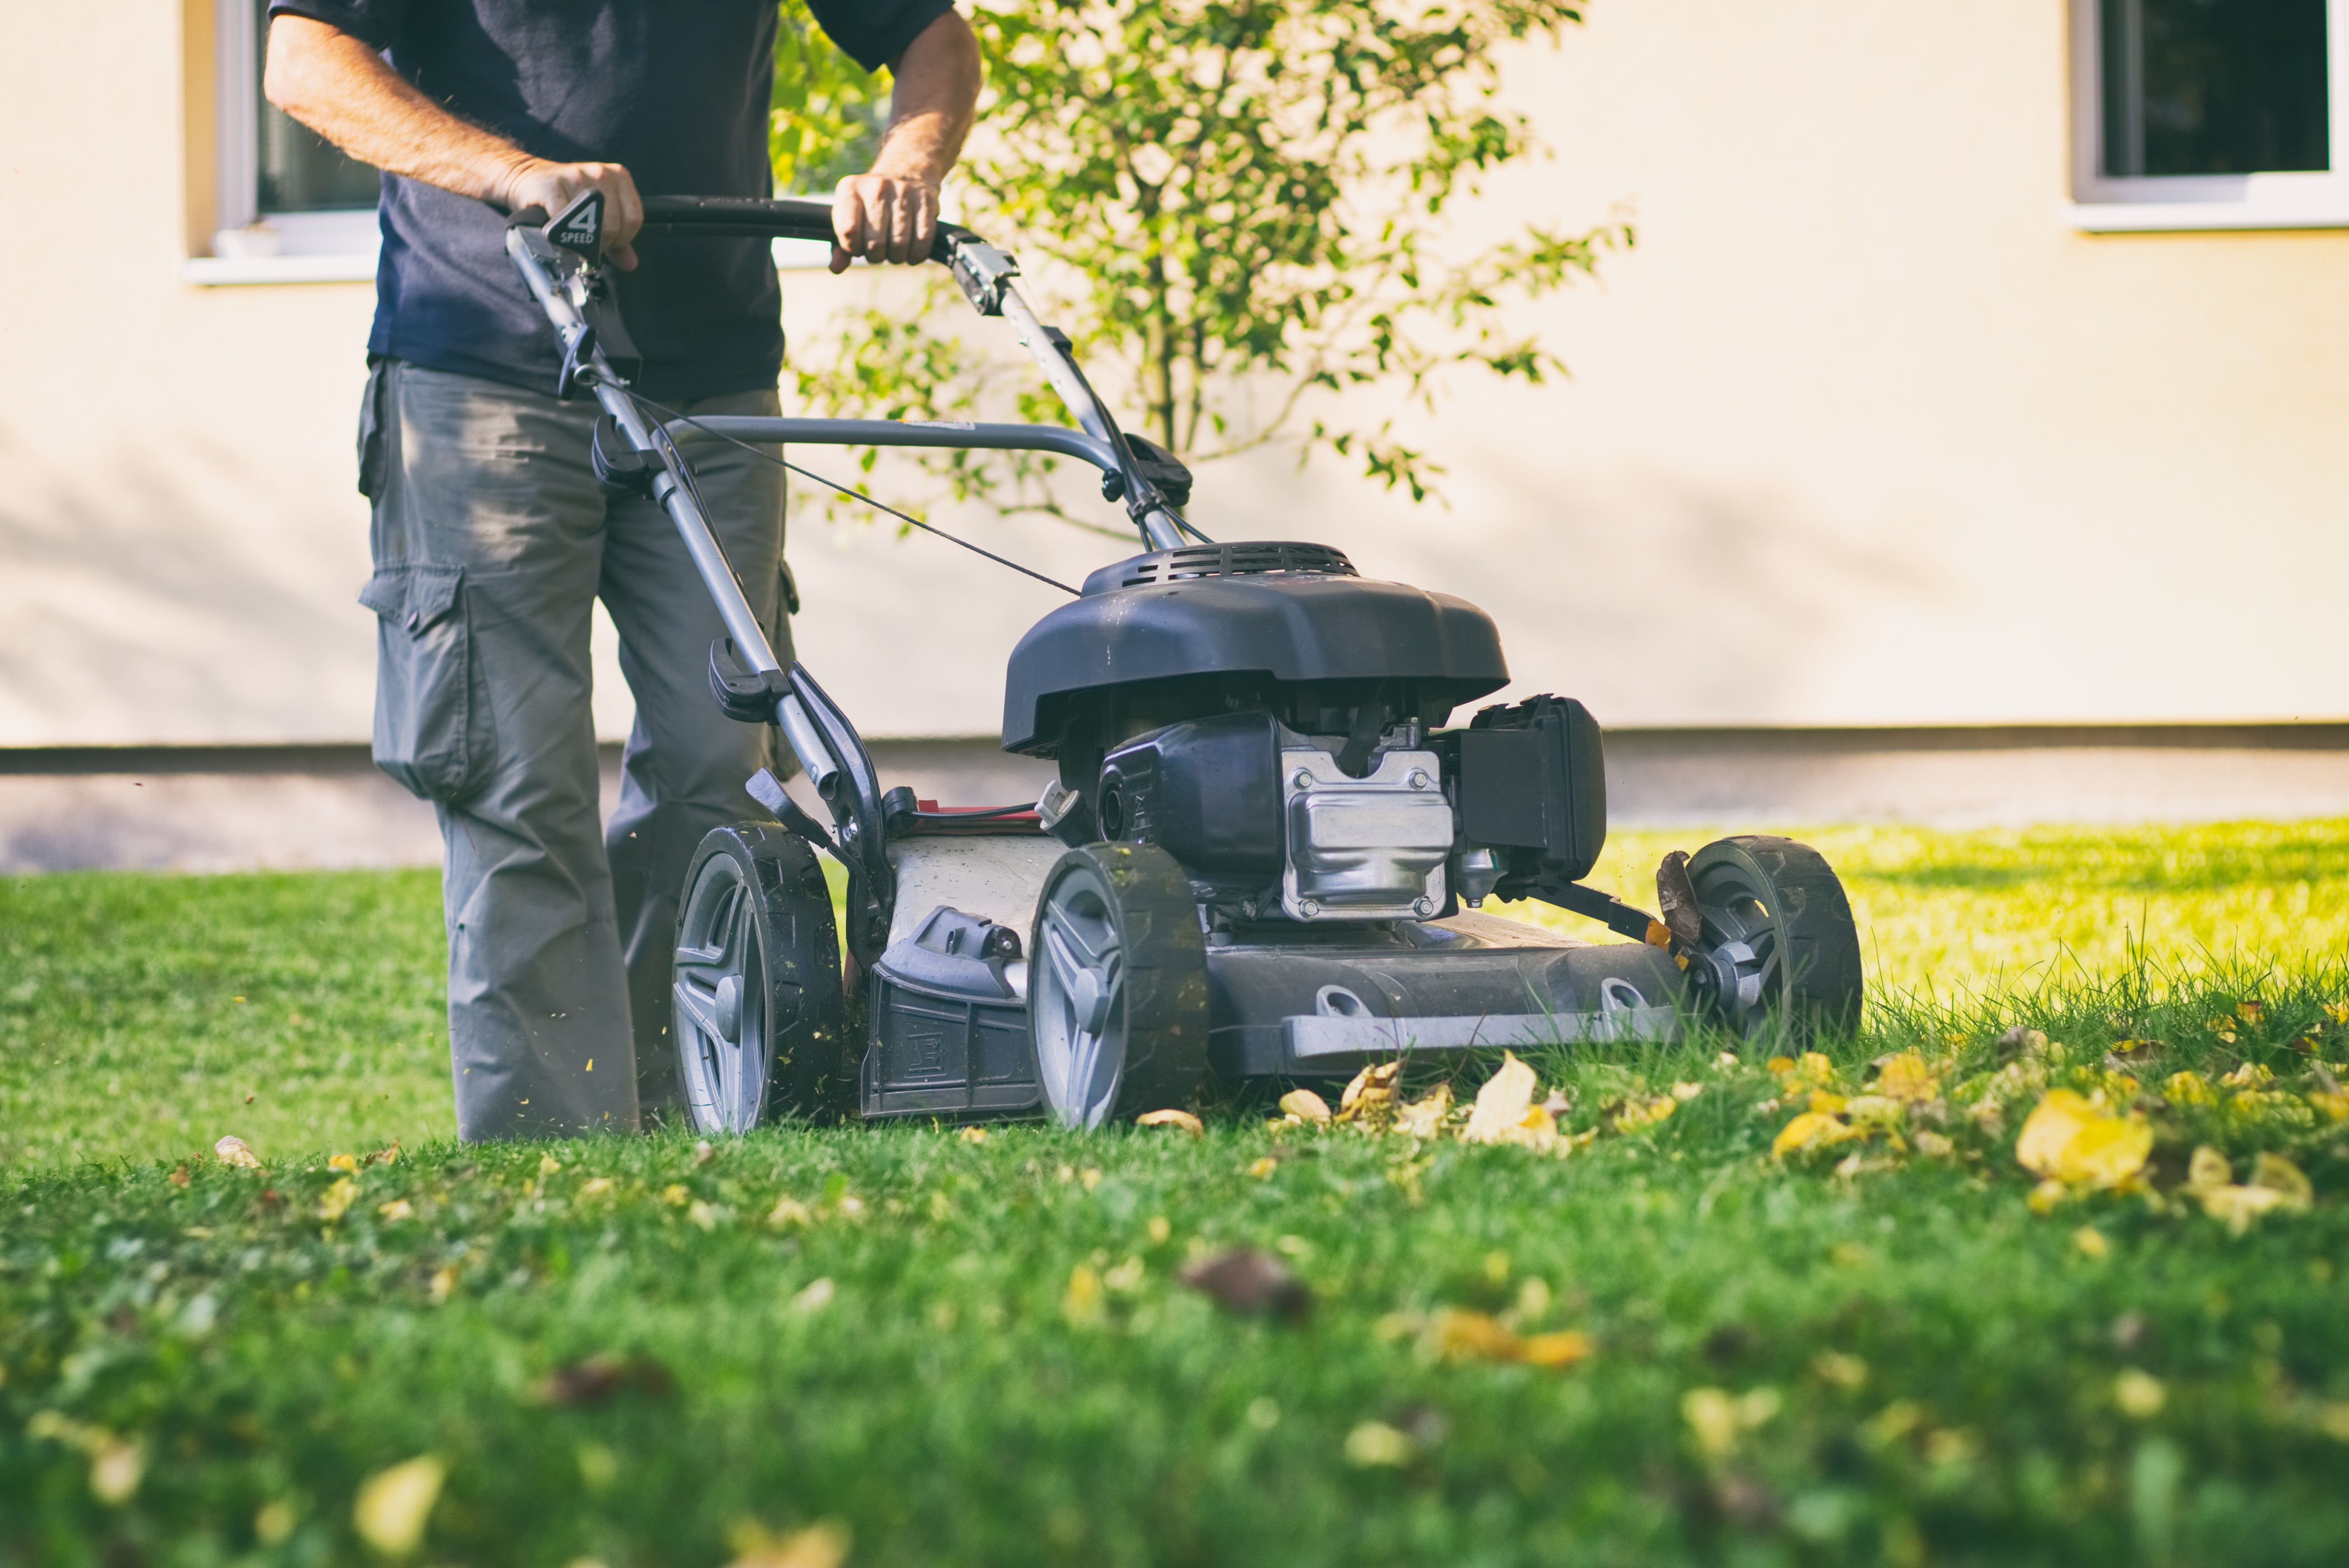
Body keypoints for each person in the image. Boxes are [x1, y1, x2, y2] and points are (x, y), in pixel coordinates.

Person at [263, 0, 982, 1140]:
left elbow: (931, 35)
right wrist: (514, 174)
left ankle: (668, 1113)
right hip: (483, 368)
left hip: (711, 382)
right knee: (517, 784)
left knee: (719, 770)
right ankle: (554, 1151)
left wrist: (904, 162)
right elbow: (303, 63)